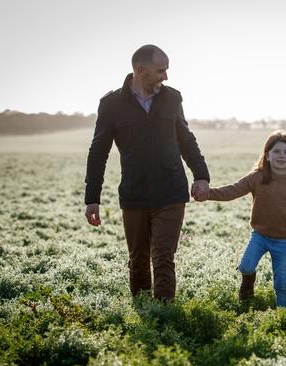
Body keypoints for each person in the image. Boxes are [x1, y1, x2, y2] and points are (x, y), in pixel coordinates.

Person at [84, 44, 210, 302]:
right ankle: (144, 315)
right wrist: (92, 198)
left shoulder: (173, 98)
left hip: (171, 191)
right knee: (138, 259)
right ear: (140, 71)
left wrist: (201, 176)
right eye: (160, 70)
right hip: (134, 193)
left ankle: (164, 317)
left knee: (163, 257)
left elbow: (186, 139)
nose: (166, 76)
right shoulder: (111, 104)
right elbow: (98, 152)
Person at [194, 130, 286, 307]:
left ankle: (285, 317)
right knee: (246, 267)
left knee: (281, 284)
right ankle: (247, 287)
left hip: (284, 241)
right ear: (267, 155)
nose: (282, 156)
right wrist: (208, 194)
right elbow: (232, 190)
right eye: (277, 151)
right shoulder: (257, 177)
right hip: (260, 236)